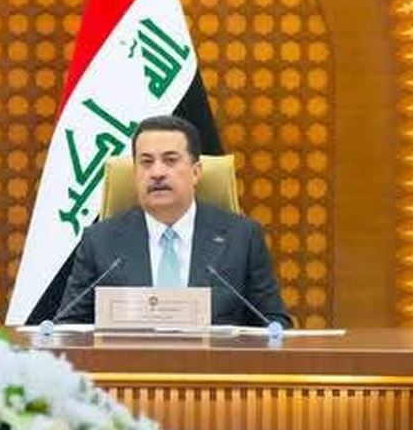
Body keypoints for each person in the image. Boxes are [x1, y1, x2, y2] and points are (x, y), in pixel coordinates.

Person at [54, 114, 292, 327]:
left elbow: (274, 325)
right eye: (146, 162)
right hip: (126, 362)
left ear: (196, 172)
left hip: (213, 362)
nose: (157, 173)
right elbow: (67, 326)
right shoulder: (99, 241)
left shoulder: (242, 237)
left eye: (170, 160)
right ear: (135, 173)